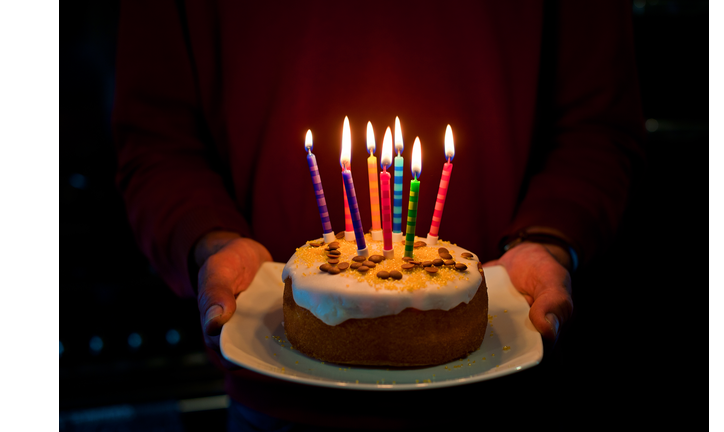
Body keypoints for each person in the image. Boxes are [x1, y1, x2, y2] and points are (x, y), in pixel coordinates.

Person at [113, 1, 644, 429]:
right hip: (272, 398)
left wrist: (552, 237)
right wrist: (208, 237)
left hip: (504, 394)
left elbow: (599, 123)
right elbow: (156, 140)